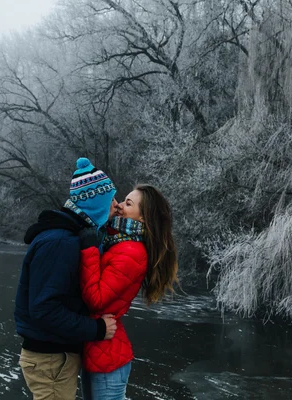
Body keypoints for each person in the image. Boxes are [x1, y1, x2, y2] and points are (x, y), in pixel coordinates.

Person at [14, 157, 119, 400]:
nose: (116, 205)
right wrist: (97, 328)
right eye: (111, 199)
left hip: (55, 357)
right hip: (51, 360)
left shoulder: (70, 237)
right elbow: (44, 309)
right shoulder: (60, 242)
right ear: (97, 204)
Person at [78, 184, 179, 400]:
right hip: (99, 349)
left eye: (128, 203)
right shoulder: (119, 241)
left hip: (107, 356)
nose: (120, 206)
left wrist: (89, 250)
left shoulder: (131, 252)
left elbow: (96, 300)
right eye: (124, 200)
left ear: (143, 218)